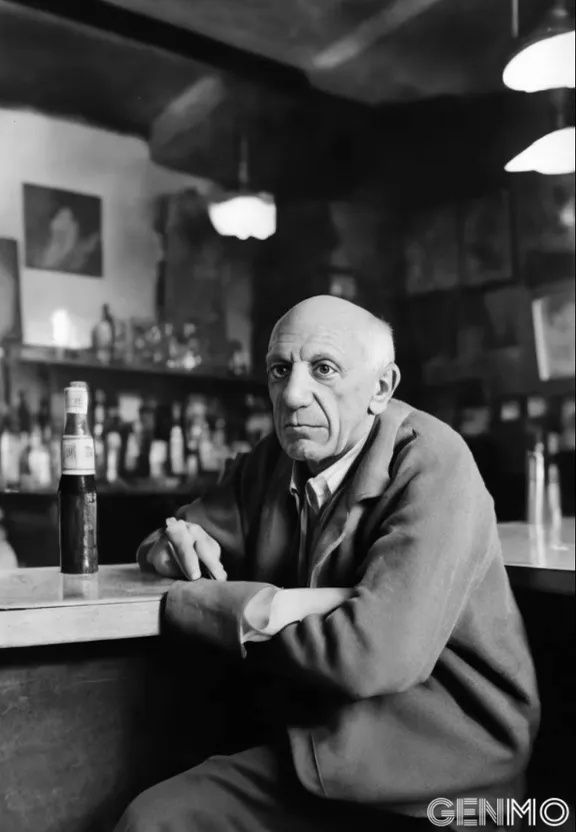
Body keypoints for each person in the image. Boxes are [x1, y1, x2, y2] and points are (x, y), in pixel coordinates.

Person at [116, 296, 540, 832]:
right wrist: (169, 542)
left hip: (443, 777)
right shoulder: (274, 460)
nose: (292, 395)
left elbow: (375, 655)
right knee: (155, 821)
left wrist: (230, 608)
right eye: (279, 369)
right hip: (321, 746)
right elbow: (173, 539)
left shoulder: (433, 459)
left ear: (381, 389)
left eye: (324, 369)